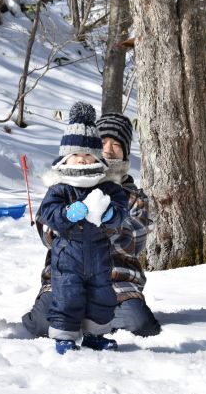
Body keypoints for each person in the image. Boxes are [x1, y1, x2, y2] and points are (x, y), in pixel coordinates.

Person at [23, 110, 161, 339]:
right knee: (40, 324)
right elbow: (47, 234)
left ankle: (91, 320)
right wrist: (68, 215)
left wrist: (106, 218)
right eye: (103, 142)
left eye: (116, 144)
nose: (108, 149)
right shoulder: (64, 185)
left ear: (125, 152)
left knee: (140, 325)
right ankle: (76, 316)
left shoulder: (133, 197)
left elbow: (132, 243)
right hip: (65, 275)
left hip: (116, 281)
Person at [36, 101, 129, 354]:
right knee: (67, 294)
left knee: (102, 296)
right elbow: (47, 213)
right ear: (67, 157)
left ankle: (95, 335)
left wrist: (109, 214)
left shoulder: (108, 186)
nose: (83, 160)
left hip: (99, 253)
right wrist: (67, 213)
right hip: (68, 253)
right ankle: (64, 336)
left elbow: (122, 211)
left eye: (89, 155)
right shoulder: (60, 187)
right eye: (78, 155)